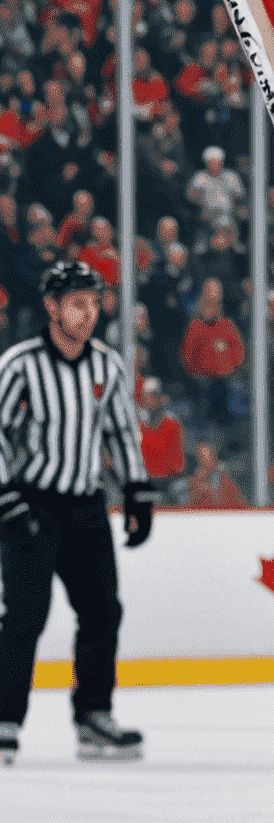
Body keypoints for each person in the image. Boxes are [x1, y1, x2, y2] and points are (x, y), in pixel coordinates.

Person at [0, 262, 155, 764]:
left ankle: (93, 716)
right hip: (32, 505)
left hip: (86, 507)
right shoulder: (21, 364)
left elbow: (120, 432)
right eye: (76, 304)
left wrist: (136, 489)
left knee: (103, 611)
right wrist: (5, 496)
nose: (88, 314)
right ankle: (4, 721)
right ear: (52, 308)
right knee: (25, 616)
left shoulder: (106, 366)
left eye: (93, 303)